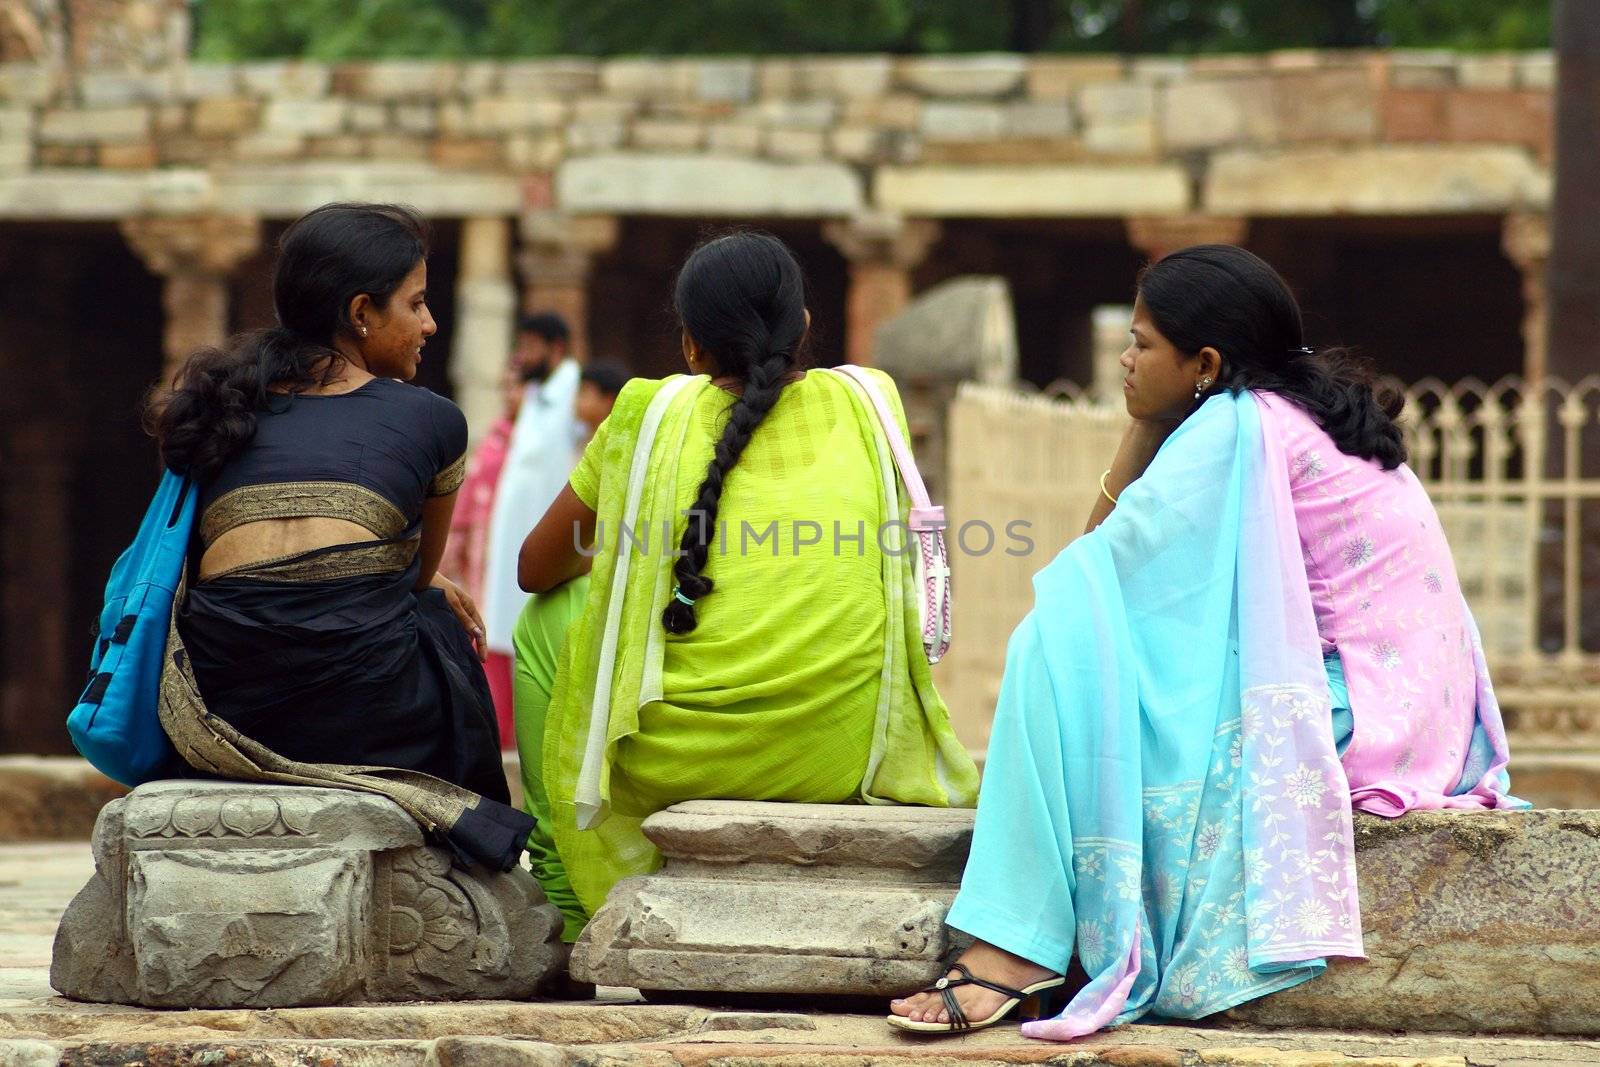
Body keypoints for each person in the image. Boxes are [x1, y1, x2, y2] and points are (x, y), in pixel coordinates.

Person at [889, 245, 1525, 1037]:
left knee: (1049, 644)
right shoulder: (1299, 410)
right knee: (1082, 652)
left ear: (1207, 362)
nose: (1124, 360)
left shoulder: (1234, 426)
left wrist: (1143, 430)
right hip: (1418, 714)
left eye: (1142, 344)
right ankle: (1023, 933)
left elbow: (1096, 571)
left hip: (1357, 712)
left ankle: (1014, 949)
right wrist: (1153, 416)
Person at [510, 231, 979, 940]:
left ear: (691, 347)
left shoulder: (645, 414)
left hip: (671, 761)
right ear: (807, 328)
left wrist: (637, 562)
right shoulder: (870, 401)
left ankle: (567, 897)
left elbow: (534, 568)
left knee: (546, 619)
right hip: (842, 752)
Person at [147, 202, 533, 871]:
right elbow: (415, 576)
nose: (430, 325)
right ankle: (467, 852)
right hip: (366, 718)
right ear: (361, 313)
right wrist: (433, 581)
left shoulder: (223, 412)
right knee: (436, 614)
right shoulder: (432, 419)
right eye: (415, 304)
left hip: (222, 710)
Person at [481, 313, 582, 730]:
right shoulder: (535, 394)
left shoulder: (576, 389)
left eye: (531, 345)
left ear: (555, 347)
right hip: (514, 544)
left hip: (549, 545)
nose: (523, 355)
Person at [574, 360, 629, 442]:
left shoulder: (617, 442)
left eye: (584, 391)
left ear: (608, 400)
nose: (576, 399)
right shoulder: (582, 437)